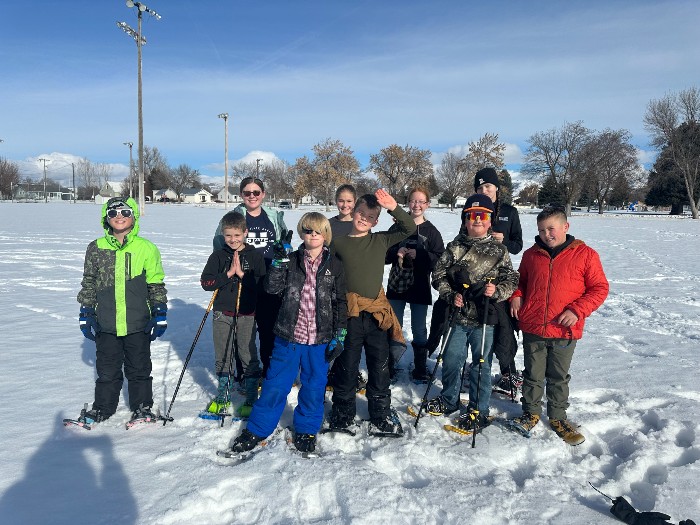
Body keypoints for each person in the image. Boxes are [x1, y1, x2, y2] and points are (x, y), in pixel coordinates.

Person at [227, 213, 347, 454]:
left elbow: (340, 301)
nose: (313, 235)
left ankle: (306, 429)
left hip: (319, 339)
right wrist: (278, 263)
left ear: (326, 235)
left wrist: (340, 333)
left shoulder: (335, 264)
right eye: (308, 230)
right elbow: (271, 288)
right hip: (289, 335)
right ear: (301, 233)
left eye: (317, 231)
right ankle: (258, 428)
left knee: (314, 387)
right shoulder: (290, 260)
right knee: (275, 385)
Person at [509, 205, 609, 445]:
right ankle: (530, 413)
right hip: (534, 326)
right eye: (542, 230)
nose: (547, 235)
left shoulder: (585, 255)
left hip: (564, 329)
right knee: (532, 374)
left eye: (551, 229)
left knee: (558, 376)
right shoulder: (532, 255)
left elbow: (599, 289)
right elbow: (521, 281)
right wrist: (516, 295)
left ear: (566, 227)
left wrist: (577, 310)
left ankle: (557, 417)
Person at [427, 194, 519, 433]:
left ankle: (480, 409)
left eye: (483, 216)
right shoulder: (454, 247)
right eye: (472, 216)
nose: (477, 220)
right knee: (451, 359)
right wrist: (450, 295)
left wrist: (496, 291)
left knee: (481, 365)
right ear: (465, 220)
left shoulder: (500, 251)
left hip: (484, 320)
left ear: (490, 221)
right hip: (458, 317)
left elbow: (511, 278)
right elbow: (438, 276)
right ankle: (449, 399)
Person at [327, 189, 416, 437]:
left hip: (377, 316)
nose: (364, 218)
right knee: (347, 365)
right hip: (350, 315)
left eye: (370, 216)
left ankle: (380, 414)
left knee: (380, 366)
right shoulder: (339, 242)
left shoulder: (380, 241)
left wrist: (393, 206)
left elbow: (407, 227)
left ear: (376, 221)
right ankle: (343, 414)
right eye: (360, 213)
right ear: (354, 212)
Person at [75, 197, 168, 425]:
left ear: (133, 216)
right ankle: (103, 408)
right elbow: (88, 282)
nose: (119, 216)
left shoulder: (146, 248)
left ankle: (142, 407)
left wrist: (159, 312)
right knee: (107, 370)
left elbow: (155, 282)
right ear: (106, 218)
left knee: (139, 369)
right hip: (106, 322)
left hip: (137, 322)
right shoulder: (96, 248)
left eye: (125, 212)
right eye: (113, 212)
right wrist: (86, 312)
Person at [213, 177, 290, 377]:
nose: (252, 196)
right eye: (247, 193)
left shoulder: (273, 216)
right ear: (241, 195)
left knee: (269, 328)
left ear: (263, 194)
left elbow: (283, 245)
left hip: (268, 280)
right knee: (243, 331)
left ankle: (270, 371)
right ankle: (245, 374)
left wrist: (284, 255)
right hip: (241, 281)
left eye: (256, 192)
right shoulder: (233, 216)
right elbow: (219, 244)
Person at [201, 211, 266, 418]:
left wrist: (242, 275)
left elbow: (263, 285)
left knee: (247, 354)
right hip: (222, 313)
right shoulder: (218, 256)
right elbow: (206, 283)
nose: (233, 240)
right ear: (223, 234)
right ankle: (223, 395)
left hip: (246, 313)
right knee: (223, 355)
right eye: (228, 235)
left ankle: (250, 397)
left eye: (237, 235)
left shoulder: (255, 256)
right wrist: (227, 274)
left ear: (245, 233)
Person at [385, 185, 444, 382]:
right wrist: (397, 252)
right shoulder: (398, 227)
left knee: (419, 327)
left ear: (427, 204)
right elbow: (383, 253)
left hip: (419, 285)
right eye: (413, 200)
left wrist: (421, 255)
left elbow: (441, 258)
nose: (416, 205)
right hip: (397, 284)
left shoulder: (432, 231)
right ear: (407, 202)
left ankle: (420, 366)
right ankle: (390, 364)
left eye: (421, 201)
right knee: (394, 324)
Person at [473, 167, 524, 396]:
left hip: (501, 276)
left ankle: (508, 373)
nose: (485, 191)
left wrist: (504, 241)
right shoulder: (473, 209)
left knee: (504, 327)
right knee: (476, 324)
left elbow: (518, 245)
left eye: (488, 187)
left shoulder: (509, 212)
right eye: (480, 187)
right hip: (477, 276)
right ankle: (476, 369)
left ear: (496, 188)